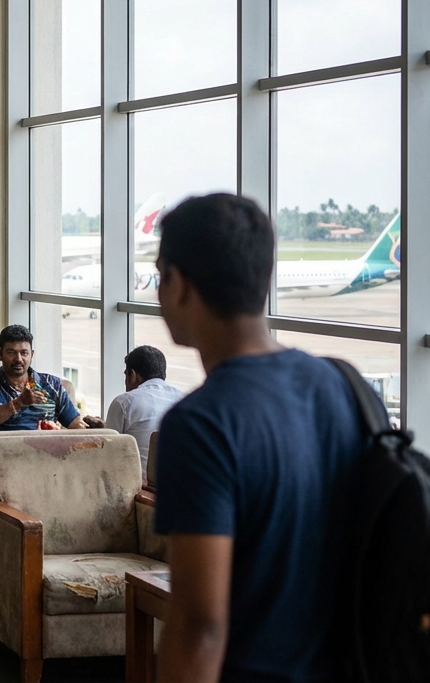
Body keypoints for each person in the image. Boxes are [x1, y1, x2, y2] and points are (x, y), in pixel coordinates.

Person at [152, 194, 363, 682]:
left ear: (179, 284)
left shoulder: (200, 423)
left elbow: (200, 624)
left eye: (161, 276)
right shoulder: (339, 384)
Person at [0, 324, 95, 431]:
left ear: (32, 355)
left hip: (49, 455)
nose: (18, 359)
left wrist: (92, 429)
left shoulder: (51, 384)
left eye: (24, 353)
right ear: (0, 354)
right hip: (2, 455)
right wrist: (18, 403)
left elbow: (75, 423)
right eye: (11, 352)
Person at [104, 345, 183, 477]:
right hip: (177, 486)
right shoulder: (183, 399)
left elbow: (108, 453)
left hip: (138, 489)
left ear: (133, 375)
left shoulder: (124, 402)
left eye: (125, 374)